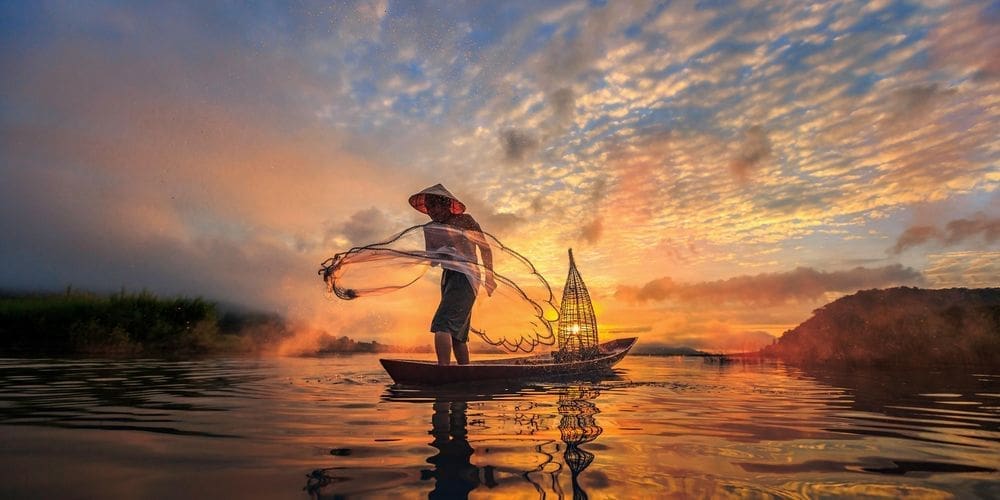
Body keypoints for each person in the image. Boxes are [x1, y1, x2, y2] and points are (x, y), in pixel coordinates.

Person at [409, 184, 497, 365]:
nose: (432, 211)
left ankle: (443, 370)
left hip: (467, 276)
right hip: (448, 277)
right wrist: (441, 252)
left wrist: (490, 277)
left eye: (435, 205)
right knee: (457, 334)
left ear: (447, 204)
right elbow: (433, 261)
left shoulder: (465, 220)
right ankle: (464, 372)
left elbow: (485, 248)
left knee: (443, 324)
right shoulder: (431, 228)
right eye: (429, 207)